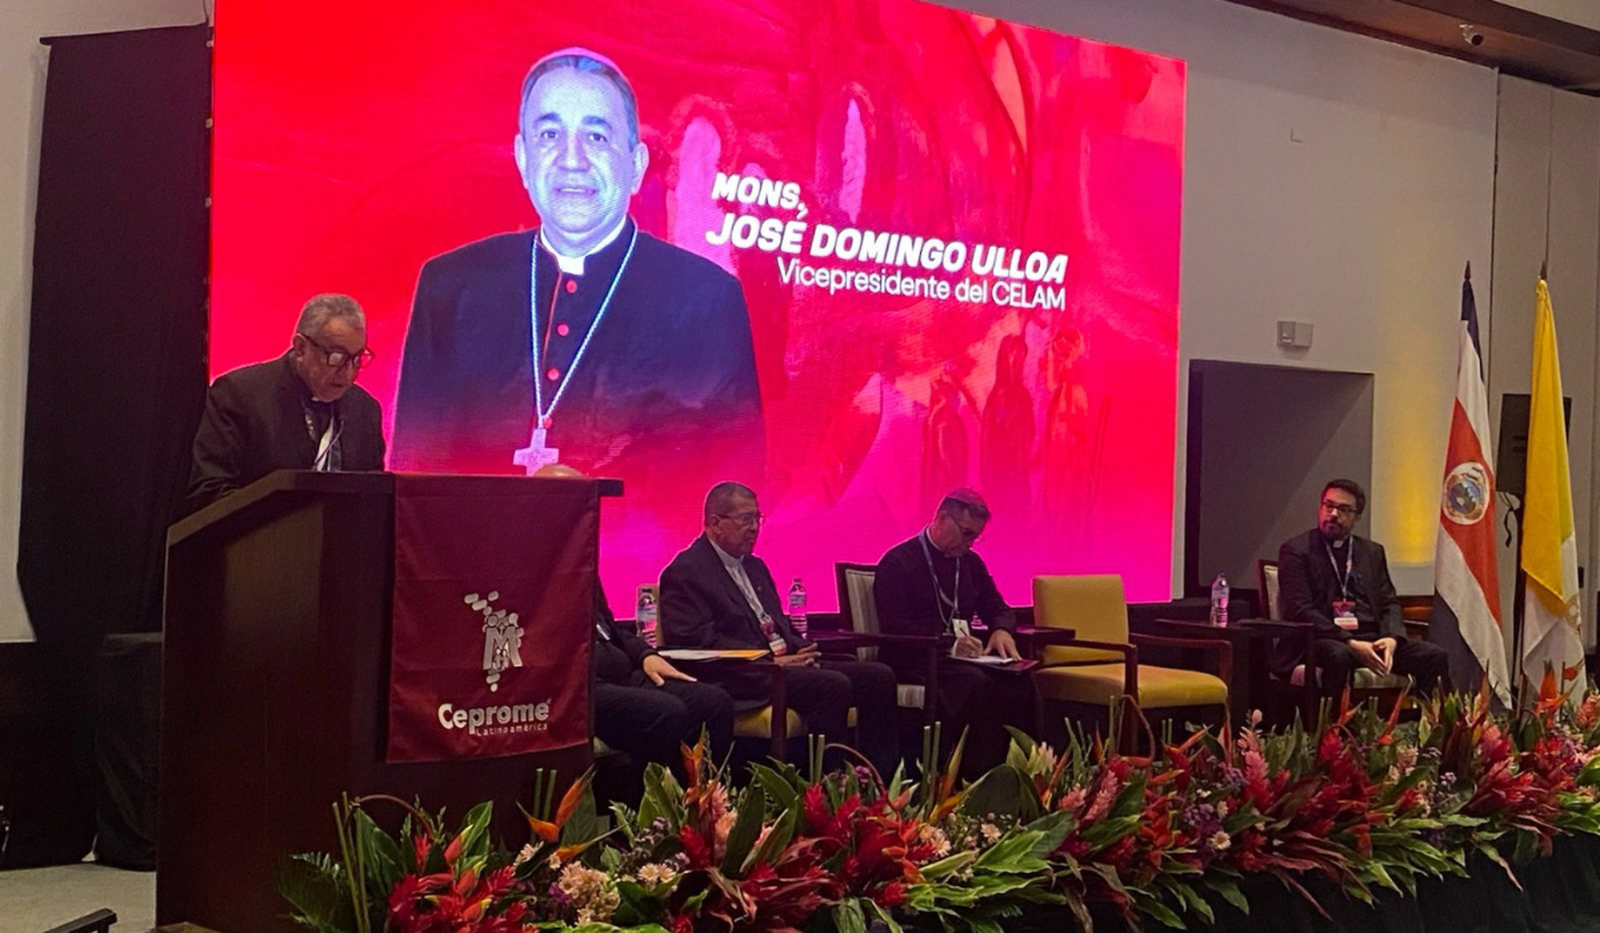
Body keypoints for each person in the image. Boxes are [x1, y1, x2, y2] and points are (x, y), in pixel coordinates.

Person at [392, 48, 762, 491]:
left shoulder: (704, 300)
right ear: (522, 158)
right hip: (467, 556)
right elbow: (412, 482)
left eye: (597, 137)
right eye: (549, 135)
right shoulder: (451, 287)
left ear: (637, 166)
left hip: (637, 560)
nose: (572, 160)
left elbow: (731, 494)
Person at [659, 482, 897, 775]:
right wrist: (768, 661)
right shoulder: (687, 571)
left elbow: (776, 625)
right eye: (746, 519)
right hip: (743, 676)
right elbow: (697, 643)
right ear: (715, 523)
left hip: (783, 664)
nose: (755, 528)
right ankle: (823, 793)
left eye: (758, 518)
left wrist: (799, 647)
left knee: (878, 677)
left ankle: (878, 784)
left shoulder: (755, 566)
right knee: (832, 686)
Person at [872, 488, 1034, 774]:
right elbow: (895, 626)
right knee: (976, 684)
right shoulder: (898, 561)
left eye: (976, 537)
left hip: (960, 659)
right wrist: (948, 644)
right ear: (943, 518)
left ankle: (1020, 775)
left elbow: (998, 607)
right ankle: (970, 778)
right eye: (967, 533)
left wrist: (1001, 630)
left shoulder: (969, 563)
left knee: (1021, 682)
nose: (971, 544)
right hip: (915, 659)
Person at [187, 293, 385, 511]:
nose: (348, 373)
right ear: (301, 348)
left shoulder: (365, 409)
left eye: (357, 359)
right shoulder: (239, 394)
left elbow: (375, 497)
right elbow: (210, 490)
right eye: (336, 357)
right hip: (260, 540)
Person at [1274, 479, 1450, 696]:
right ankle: (1333, 729)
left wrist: (1392, 638)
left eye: (1344, 509)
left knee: (1433, 656)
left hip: (1372, 638)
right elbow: (1300, 610)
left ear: (1357, 517)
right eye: (1329, 506)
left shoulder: (1371, 552)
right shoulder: (1296, 551)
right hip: (1321, 640)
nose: (1334, 514)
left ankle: (1426, 728)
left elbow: (1389, 602)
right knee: (1339, 656)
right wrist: (1350, 642)